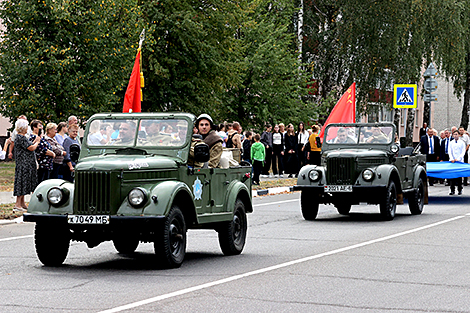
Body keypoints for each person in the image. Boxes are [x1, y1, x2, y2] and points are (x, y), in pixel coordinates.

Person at [13, 118, 40, 212]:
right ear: (23, 128)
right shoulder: (20, 137)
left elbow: (28, 146)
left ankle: (22, 203)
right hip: (23, 164)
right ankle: (17, 204)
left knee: (25, 183)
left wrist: (34, 142)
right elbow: (31, 147)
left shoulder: (23, 138)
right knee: (21, 183)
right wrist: (37, 142)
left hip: (26, 164)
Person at [30, 120, 55, 184]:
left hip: (47, 165)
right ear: (34, 127)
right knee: (40, 182)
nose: (41, 128)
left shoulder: (41, 137)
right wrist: (52, 153)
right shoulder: (33, 137)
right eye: (39, 126)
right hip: (41, 164)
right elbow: (41, 149)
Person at [448, 130, 465, 195]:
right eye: (454, 134)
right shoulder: (451, 142)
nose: (455, 135)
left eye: (456, 134)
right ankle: (452, 190)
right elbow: (449, 151)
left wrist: (458, 159)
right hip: (452, 161)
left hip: (459, 161)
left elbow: (463, 152)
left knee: (459, 176)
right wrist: (452, 158)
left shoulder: (462, 142)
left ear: (459, 135)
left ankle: (459, 189)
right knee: (452, 176)